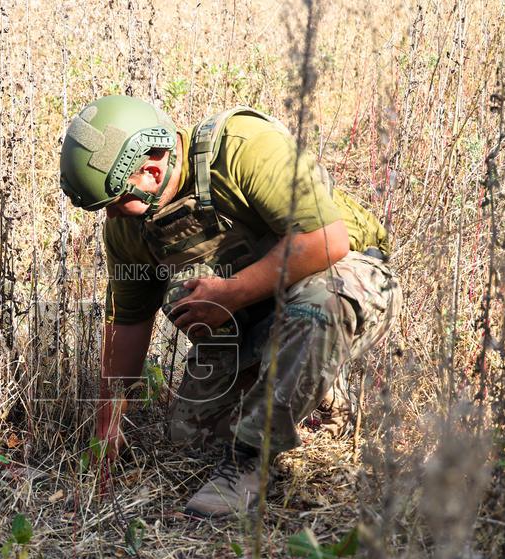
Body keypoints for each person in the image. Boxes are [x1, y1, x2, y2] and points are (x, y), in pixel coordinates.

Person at [59, 95, 402, 517]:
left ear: (151, 169)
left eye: (113, 203)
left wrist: (230, 293)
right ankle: (319, 388)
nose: (110, 218)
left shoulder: (244, 147)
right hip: (261, 313)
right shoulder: (129, 227)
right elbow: (129, 321)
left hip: (346, 278)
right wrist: (107, 425)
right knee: (192, 436)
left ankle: (247, 462)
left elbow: (326, 241)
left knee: (319, 304)